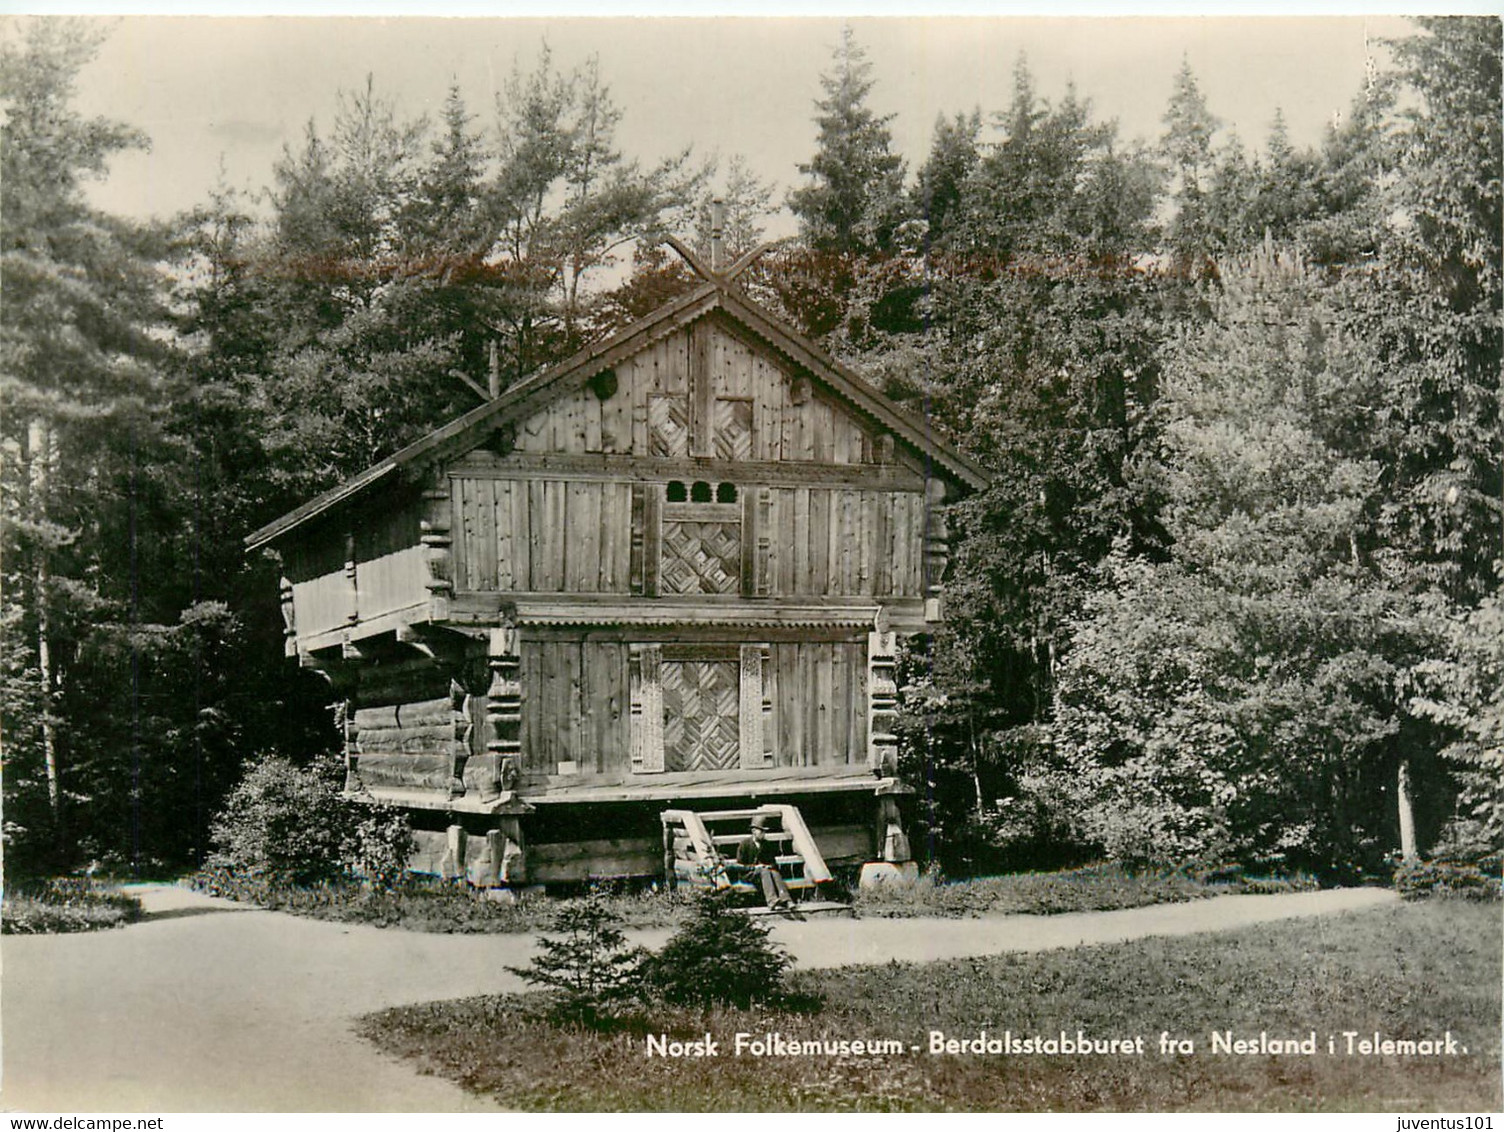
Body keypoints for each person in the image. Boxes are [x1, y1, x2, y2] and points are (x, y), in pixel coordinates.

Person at [735, 814, 794, 909]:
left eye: (764, 832)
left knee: (774, 872)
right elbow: (740, 866)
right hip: (749, 874)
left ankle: (786, 900)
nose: (763, 834)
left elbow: (773, 862)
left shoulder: (766, 844)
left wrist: (769, 866)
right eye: (761, 831)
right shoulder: (744, 844)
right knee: (764, 871)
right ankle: (772, 901)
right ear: (753, 831)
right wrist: (755, 867)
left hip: (765, 874)